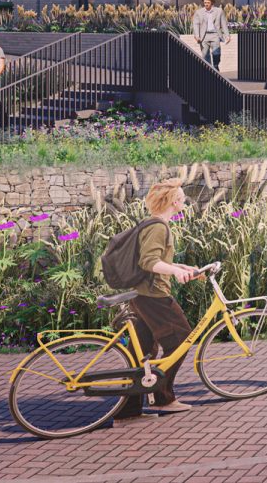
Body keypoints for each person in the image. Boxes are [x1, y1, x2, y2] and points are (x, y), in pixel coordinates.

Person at [114, 180, 203, 421]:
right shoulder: (159, 228)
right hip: (154, 296)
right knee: (181, 339)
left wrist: (180, 267)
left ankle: (128, 409)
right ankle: (163, 399)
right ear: (175, 201)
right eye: (182, 198)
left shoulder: (152, 223)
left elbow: (155, 260)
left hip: (142, 295)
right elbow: (148, 262)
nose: (184, 201)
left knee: (141, 352)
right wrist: (174, 272)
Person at [189, 0, 226, 70]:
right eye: (205, 2)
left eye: (208, 2)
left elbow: (223, 23)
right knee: (205, 55)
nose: (206, 4)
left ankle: (215, 65)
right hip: (204, 36)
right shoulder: (199, 12)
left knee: (216, 53)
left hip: (215, 35)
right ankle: (209, 71)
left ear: (212, 2)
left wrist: (227, 35)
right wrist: (197, 35)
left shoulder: (219, 11)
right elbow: (196, 25)